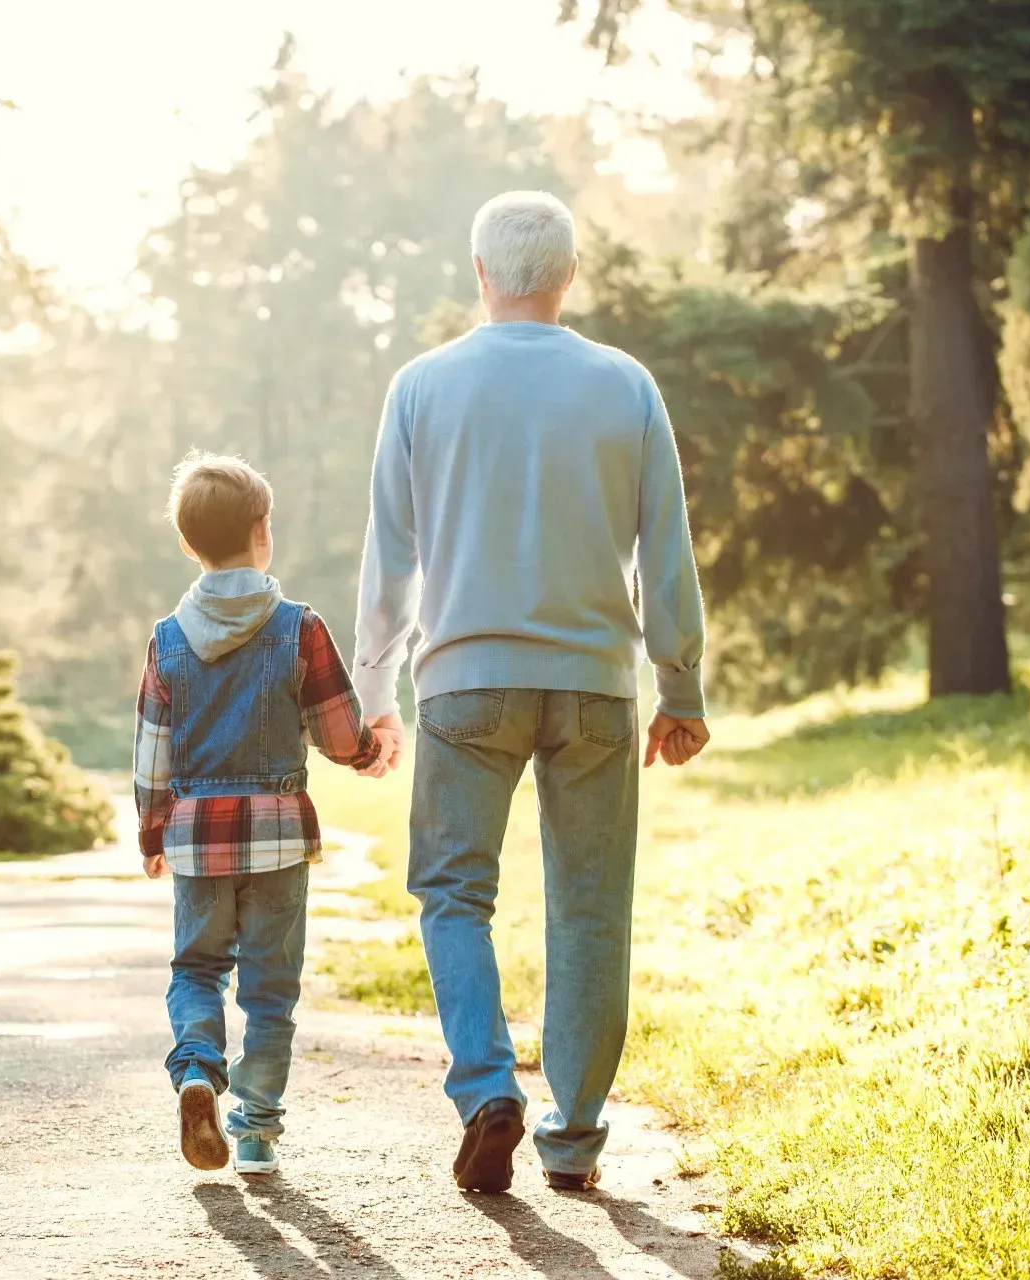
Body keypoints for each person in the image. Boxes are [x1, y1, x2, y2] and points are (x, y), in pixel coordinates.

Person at [352, 190, 710, 1195]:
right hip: (597, 686)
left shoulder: (421, 386)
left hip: (464, 683)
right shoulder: (625, 384)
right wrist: (680, 683)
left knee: (452, 892)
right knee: (591, 909)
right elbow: (667, 549)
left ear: (480, 274)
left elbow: (391, 556)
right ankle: (575, 1138)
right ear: (568, 277)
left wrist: (373, 687)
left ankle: (484, 1087)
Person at [134, 451, 390, 1176]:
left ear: (188, 544)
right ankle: (254, 1131)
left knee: (197, 970)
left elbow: (151, 751)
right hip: (278, 840)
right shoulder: (298, 627)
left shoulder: (167, 639)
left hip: (195, 840)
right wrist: (373, 751)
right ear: (263, 530)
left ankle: (196, 1070)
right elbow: (339, 732)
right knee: (271, 990)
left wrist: (153, 833)